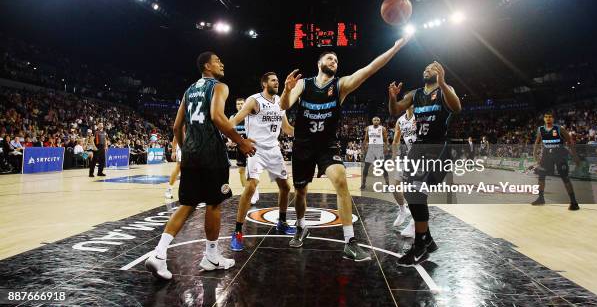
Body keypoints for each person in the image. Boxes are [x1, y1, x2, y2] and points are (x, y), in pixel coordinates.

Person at [280, 34, 410, 261]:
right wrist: (285, 89)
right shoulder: (303, 84)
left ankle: (349, 241)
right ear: (319, 63)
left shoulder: (341, 85)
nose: (334, 62)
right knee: (300, 192)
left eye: (337, 60)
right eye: (330, 58)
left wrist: (395, 48)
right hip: (303, 145)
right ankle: (301, 227)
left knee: (341, 181)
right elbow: (284, 105)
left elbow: (370, 69)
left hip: (327, 146)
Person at [145, 51, 256, 280]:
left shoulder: (188, 91)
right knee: (214, 204)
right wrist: (241, 142)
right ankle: (212, 256)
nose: (222, 63)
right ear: (207, 66)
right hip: (211, 154)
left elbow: (177, 127)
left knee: (186, 204)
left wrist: (187, 150)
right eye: (217, 61)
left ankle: (159, 254)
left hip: (192, 154)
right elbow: (217, 116)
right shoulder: (219, 86)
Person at [389, 61, 462, 266]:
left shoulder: (445, 90)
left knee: (417, 193)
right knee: (410, 192)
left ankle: (420, 247)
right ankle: (427, 240)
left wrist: (443, 83)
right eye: (425, 68)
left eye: (432, 67)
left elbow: (456, 108)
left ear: (440, 71)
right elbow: (395, 110)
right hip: (418, 149)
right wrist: (392, 97)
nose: (426, 69)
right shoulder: (415, 94)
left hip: (438, 148)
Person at [229, 72, 296, 251]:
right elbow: (234, 120)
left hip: (273, 149)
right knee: (251, 186)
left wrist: (307, 134)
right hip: (256, 150)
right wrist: (237, 140)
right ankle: (237, 231)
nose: (277, 82)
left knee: (286, 187)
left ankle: (281, 222)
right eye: (274, 80)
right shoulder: (254, 100)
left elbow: (287, 129)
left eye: (278, 80)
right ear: (264, 83)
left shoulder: (281, 103)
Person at [531, 111, 580, 210]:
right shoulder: (540, 129)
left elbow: (570, 141)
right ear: (544, 119)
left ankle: (574, 202)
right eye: (546, 117)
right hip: (546, 156)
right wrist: (535, 154)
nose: (548, 119)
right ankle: (541, 198)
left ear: (553, 119)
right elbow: (537, 141)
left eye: (550, 117)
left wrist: (575, 156)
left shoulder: (559, 128)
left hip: (559, 155)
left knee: (565, 178)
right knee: (541, 177)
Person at [391, 106, 417, 237]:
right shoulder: (400, 120)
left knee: (413, 192)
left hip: (420, 155)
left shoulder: (419, 116)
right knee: (395, 188)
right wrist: (394, 156)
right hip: (406, 155)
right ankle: (403, 210)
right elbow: (396, 140)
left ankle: (414, 224)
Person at [360, 116, 389, 190]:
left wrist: (385, 148)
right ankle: (363, 184)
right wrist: (364, 147)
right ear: (372, 121)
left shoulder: (383, 128)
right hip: (371, 149)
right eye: (374, 120)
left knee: (382, 167)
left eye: (377, 120)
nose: (376, 121)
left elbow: (386, 140)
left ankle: (388, 184)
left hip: (379, 149)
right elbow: (366, 139)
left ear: (379, 121)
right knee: (366, 166)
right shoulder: (368, 128)